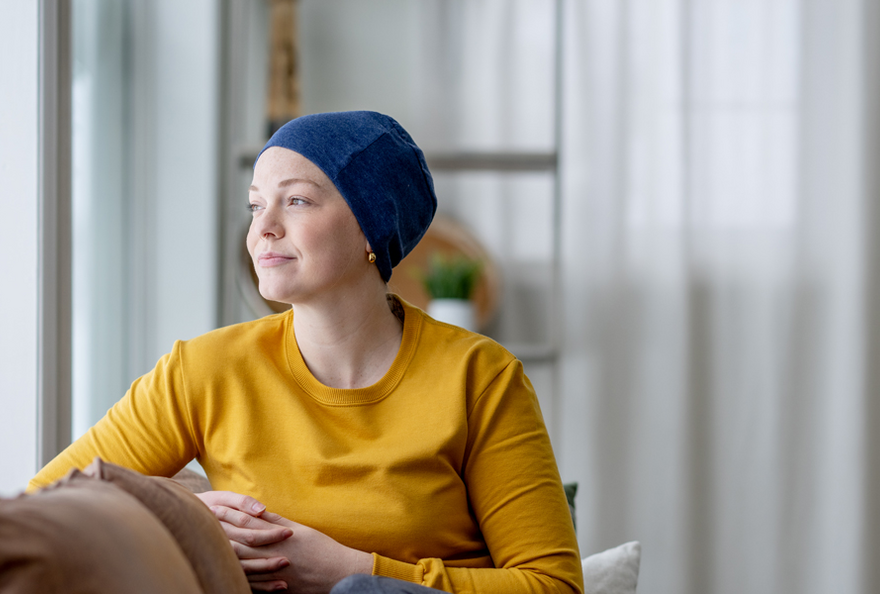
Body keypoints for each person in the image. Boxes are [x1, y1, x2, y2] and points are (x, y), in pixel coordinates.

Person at [29, 111, 582, 594]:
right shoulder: (204, 370)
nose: (263, 228)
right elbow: (41, 506)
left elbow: (552, 586)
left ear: (372, 227)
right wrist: (181, 513)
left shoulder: (479, 377)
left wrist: (356, 572)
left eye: (295, 201)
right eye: (255, 205)